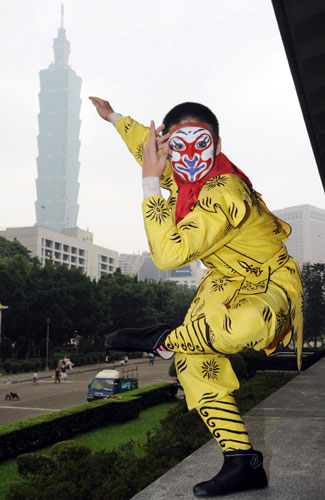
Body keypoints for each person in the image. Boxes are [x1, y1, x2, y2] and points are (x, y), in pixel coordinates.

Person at [90, 97, 303, 497]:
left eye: (201, 145)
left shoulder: (225, 190)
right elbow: (144, 142)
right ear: (168, 146)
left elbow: (169, 255)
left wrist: (149, 183)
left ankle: (163, 340)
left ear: (218, 147)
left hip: (270, 280)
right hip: (223, 280)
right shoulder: (182, 177)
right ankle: (242, 462)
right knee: (194, 362)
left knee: (244, 327)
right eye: (176, 147)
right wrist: (114, 116)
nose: (188, 158)